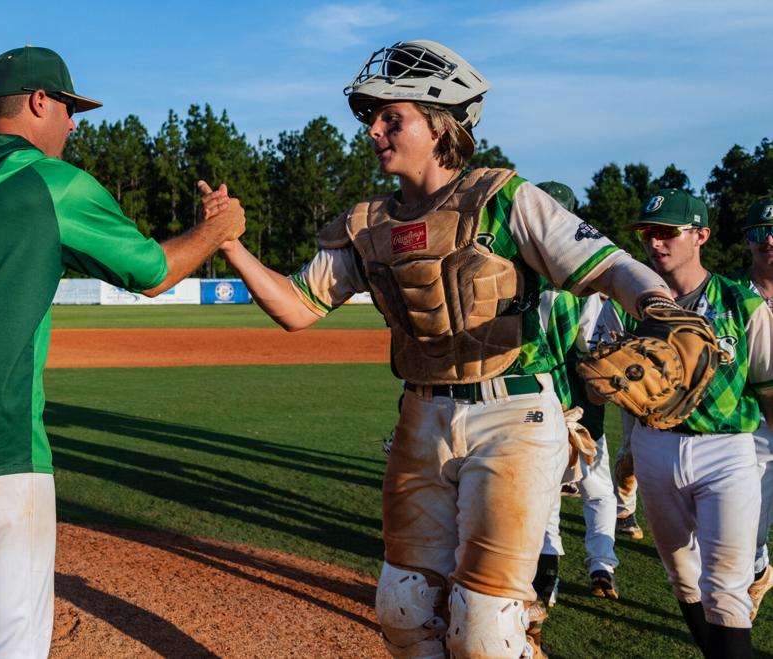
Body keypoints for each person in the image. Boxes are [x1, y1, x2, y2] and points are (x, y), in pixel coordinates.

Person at [208, 39, 677, 659]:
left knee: (486, 627)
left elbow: (612, 266)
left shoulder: (506, 198)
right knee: (402, 609)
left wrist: (661, 310)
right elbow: (298, 308)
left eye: (389, 117)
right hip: (421, 415)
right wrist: (232, 245)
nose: (373, 130)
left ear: (438, 126)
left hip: (514, 413)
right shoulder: (368, 223)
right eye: (371, 118)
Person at [0, 46, 244, 659]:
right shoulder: (55, 184)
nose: (74, 123)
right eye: (69, 107)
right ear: (39, 101)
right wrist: (215, 230)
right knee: (15, 634)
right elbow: (155, 272)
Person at [599, 189, 773, 657]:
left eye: (667, 232)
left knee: (727, 586)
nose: (655, 243)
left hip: (728, 451)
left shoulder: (741, 303)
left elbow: (768, 387)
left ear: (700, 235)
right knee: (681, 575)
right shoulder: (627, 305)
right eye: (648, 234)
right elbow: (609, 383)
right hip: (655, 448)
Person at [529, 182, 620, 629]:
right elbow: (596, 350)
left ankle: (549, 578)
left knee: (544, 495)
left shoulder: (511, 272)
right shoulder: (586, 283)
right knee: (597, 488)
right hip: (581, 402)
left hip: (532, 403)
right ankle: (601, 563)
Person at [727, 198, 773, 619]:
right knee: (750, 524)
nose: (770, 240)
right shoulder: (732, 296)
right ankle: (759, 572)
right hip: (756, 425)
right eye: (761, 232)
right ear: (748, 241)